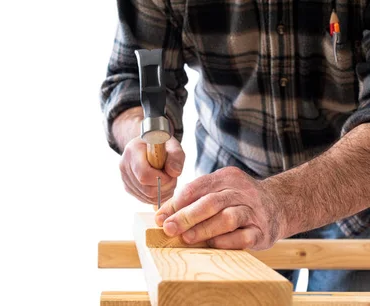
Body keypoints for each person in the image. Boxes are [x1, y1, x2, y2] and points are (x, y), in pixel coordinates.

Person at [99, 0, 370, 291]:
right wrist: (142, 131)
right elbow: (130, 77)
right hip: (229, 199)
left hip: (356, 192)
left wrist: (279, 202)